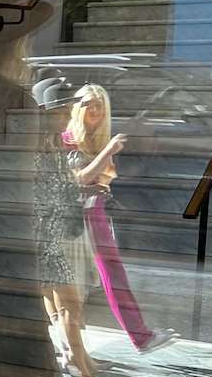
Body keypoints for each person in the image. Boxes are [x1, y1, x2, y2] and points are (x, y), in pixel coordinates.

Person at [63, 84, 176, 355]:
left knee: (110, 277)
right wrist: (107, 153)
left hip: (96, 214)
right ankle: (73, 350)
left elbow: (103, 180)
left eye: (100, 104)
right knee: (70, 290)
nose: (95, 109)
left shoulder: (99, 138)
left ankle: (139, 337)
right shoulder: (68, 138)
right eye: (89, 103)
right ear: (77, 107)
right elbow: (78, 180)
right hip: (75, 221)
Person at [32, 77, 99, 377]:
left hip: (51, 234)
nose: (69, 114)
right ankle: (80, 368)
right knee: (69, 302)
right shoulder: (38, 145)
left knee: (58, 301)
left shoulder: (53, 142)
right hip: (43, 237)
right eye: (62, 109)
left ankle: (77, 356)